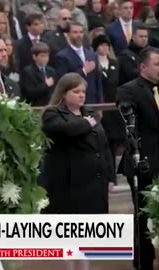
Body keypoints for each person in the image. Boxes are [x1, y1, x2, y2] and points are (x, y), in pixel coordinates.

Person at [41, 73, 115, 270]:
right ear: (64, 93)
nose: (82, 95)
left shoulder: (89, 113)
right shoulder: (52, 114)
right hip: (69, 186)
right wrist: (85, 124)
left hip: (93, 183)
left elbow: (104, 147)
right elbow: (63, 130)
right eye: (76, 92)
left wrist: (110, 176)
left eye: (83, 91)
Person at [116, 47, 158, 270]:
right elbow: (130, 124)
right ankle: (144, 262)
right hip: (145, 162)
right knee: (144, 217)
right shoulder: (129, 90)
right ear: (143, 67)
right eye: (157, 64)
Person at [92, 35, 125, 186]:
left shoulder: (115, 63)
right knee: (102, 141)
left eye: (107, 45)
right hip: (100, 107)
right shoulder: (93, 64)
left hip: (113, 107)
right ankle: (106, 175)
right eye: (101, 45)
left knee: (113, 142)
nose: (104, 48)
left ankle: (113, 176)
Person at [55, 22, 103, 105]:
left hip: (92, 102)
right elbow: (63, 81)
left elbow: (98, 80)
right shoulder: (62, 56)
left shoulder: (92, 54)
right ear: (68, 35)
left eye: (81, 32)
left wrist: (100, 103)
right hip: (72, 103)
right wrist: (83, 71)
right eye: (75, 32)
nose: (79, 35)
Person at [20, 42, 56, 106]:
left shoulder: (51, 71)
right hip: (36, 106)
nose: (46, 59)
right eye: (42, 56)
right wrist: (46, 85)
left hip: (50, 105)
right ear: (34, 57)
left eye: (47, 56)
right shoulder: (28, 71)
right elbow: (29, 93)